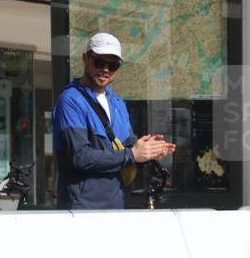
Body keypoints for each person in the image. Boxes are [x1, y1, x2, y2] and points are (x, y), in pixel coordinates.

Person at [52, 33, 175, 209]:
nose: (106, 69)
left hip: (116, 205)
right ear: (85, 58)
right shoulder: (70, 100)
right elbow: (79, 156)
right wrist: (132, 154)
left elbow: (127, 147)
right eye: (99, 62)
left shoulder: (117, 102)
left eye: (113, 65)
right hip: (81, 209)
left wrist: (147, 150)